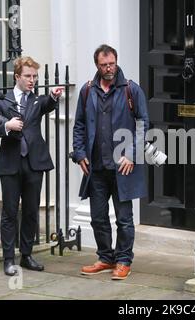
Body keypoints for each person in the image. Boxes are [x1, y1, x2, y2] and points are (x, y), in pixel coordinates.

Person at [72, 44, 149, 280]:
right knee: (98, 217)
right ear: (97, 65)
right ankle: (106, 258)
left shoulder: (131, 90)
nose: (109, 69)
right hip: (95, 167)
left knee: (124, 219)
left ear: (116, 61)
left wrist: (132, 154)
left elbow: (143, 124)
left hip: (122, 167)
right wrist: (79, 153)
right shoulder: (87, 90)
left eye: (112, 63)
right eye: (104, 65)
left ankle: (124, 260)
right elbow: (80, 125)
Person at [0, 56, 64, 276]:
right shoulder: (2, 101)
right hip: (11, 164)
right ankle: (8, 259)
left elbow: (48, 104)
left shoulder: (36, 100)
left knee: (31, 211)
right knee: (10, 212)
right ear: (17, 77)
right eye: (28, 76)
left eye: (34, 76)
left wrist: (53, 96)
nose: (32, 80)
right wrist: (7, 125)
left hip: (34, 163)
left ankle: (26, 255)